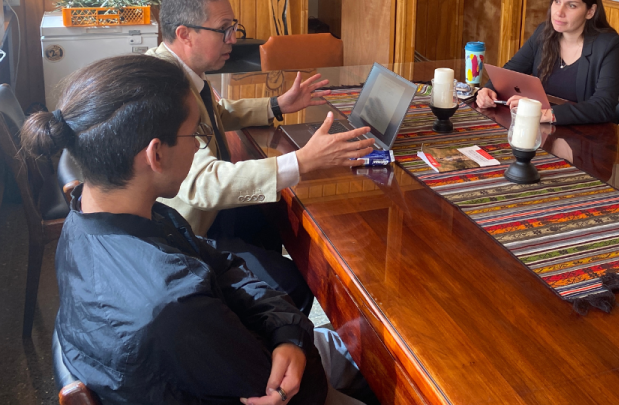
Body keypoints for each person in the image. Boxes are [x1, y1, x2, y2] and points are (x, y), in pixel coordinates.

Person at [21, 55, 371, 405]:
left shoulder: (89, 213)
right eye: (195, 134)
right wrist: (295, 340)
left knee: (352, 343)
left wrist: (289, 332)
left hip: (222, 353)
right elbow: (289, 387)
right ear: (155, 154)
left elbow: (222, 264)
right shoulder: (170, 306)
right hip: (281, 383)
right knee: (377, 357)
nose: (197, 146)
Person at [147, 0, 374, 314]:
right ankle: (264, 352)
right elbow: (203, 185)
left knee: (278, 215)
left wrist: (277, 105)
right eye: (224, 29)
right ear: (184, 34)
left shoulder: (181, 70)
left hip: (208, 214)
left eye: (234, 27)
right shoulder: (162, 91)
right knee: (292, 282)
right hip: (187, 232)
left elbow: (217, 113)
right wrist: (302, 160)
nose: (234, 39)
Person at [475, 0, 619, 125]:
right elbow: (510, 71)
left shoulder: (609, 45)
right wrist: (488, 90)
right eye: (556, 1)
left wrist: (549, 114)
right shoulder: (543, 33)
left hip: (585, 135)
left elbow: (604, 106)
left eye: (571, 5)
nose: (559, 12)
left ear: (590, 12)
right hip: (542, 129)